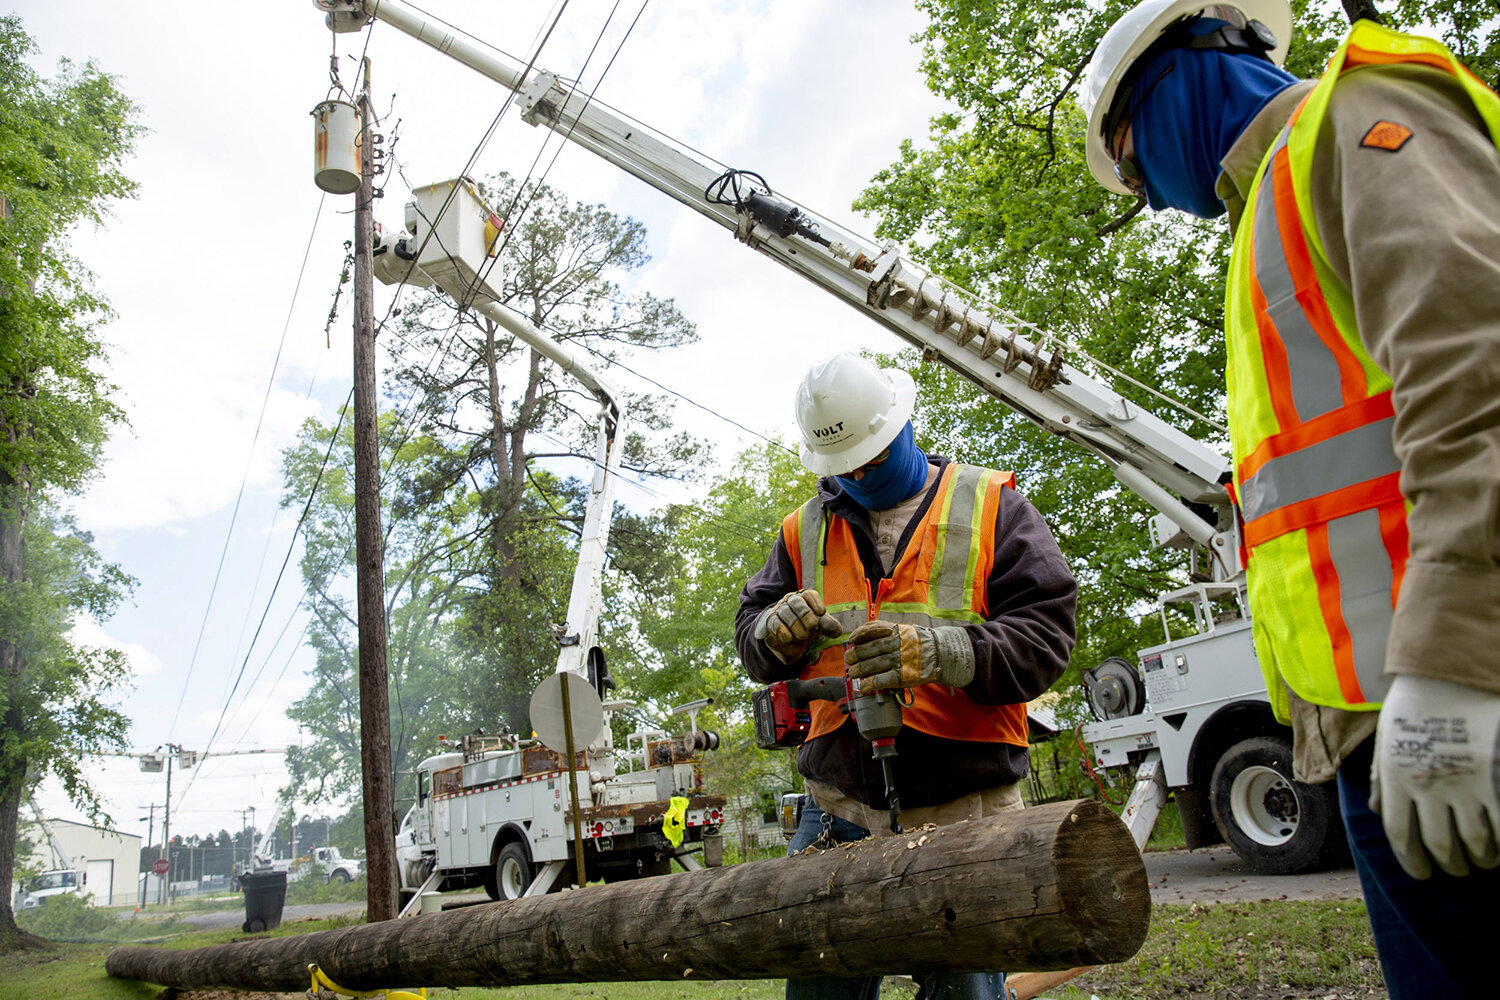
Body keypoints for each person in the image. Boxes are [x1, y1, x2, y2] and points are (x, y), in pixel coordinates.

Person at [1077, 2, 1500, 995]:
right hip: (1377, 730)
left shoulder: (1359, 121)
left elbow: (1475, 371)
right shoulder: (1272, 206)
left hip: (1456, 696)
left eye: (1132, 161)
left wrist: (1452, 663)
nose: (1145, 195)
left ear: (1182, 71)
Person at [736, 353, 1077, 1000]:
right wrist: (770, 634)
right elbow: (750, 637)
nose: (860, 476)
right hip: (837, 810)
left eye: (872, 457)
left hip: (964, 809)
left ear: (905, 424)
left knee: (966, 991)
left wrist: (941, 653)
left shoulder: (991, 508)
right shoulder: (803, 532)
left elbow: (1046, 639)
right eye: (845, 468)